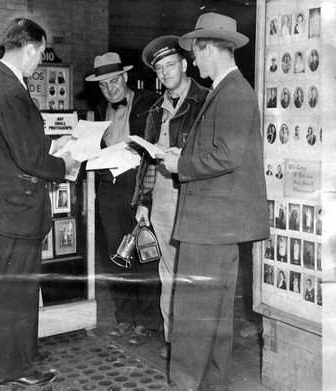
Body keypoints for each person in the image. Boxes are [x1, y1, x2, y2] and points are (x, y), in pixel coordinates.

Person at [156, 13, 269, 391]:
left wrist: (179, 163)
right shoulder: (230, 89)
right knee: (217, 317)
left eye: (196, 53)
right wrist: (184, 151)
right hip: (219, 224)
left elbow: (228, 155)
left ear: (209, 50)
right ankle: (211, 384)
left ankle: (185, 384)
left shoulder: (233, 90)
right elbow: (221, 149)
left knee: (191, 315)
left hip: (210, 225)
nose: (195, 62)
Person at [0, 18, 79, 388]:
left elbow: (11, 144)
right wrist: (65, 163)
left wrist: (49, 146)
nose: (40, 64)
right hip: (15, 203)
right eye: (41, 55)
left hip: (2, 199)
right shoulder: (9, 90)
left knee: (22, 282)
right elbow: (28, 157)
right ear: (30, 49)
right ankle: (13, 368)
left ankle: (25, 351)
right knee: (17, 287)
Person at [134, 35, 208, 357]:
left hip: (192, 198)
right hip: (163, 198)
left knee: (192, 275)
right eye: (159, 69)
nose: (164, 73)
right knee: (168, 274)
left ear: (184, 64)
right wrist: (144, 202)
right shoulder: (155, 109)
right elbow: (148, 162)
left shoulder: (205, 101)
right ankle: (173, 340)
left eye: (169, 65)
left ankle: (194, 344)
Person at [85, 52, 161, 345]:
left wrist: (148, 195)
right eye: (104, 85)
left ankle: (146, 322)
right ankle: (125, 319)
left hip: (138, 184)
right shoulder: (99, 109)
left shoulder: (148, 102)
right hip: (109, 186)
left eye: (114, 81)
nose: (110, 89)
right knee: (116, 256)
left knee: (144, 253)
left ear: (125, 77)